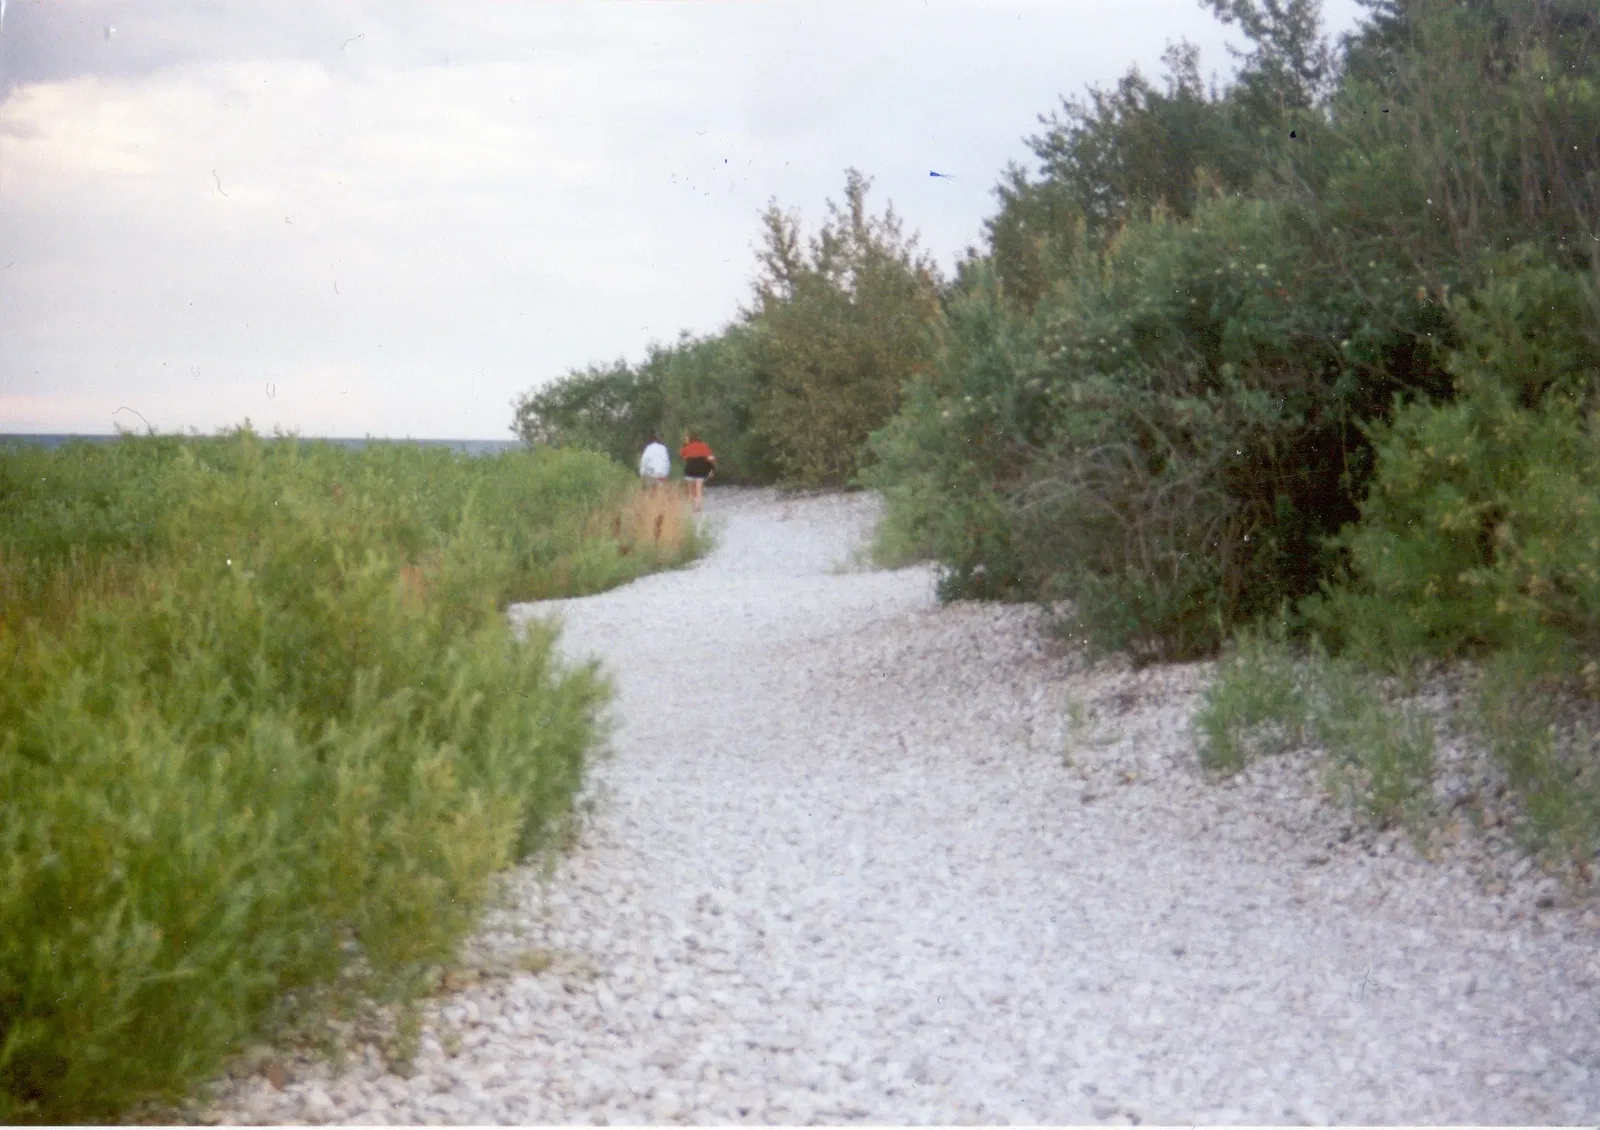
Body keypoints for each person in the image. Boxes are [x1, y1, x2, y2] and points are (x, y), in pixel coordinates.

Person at [679, 432, 715, 514]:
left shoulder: (687, 447)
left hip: (689, 470)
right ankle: (698, 509)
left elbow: (682, 455)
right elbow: (711, 458)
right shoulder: (703, 446)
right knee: (699, 491)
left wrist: (685, 445)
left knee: (691, 492)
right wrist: (711, 469)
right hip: (700, 471)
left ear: (690, 439)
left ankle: (692, 509)